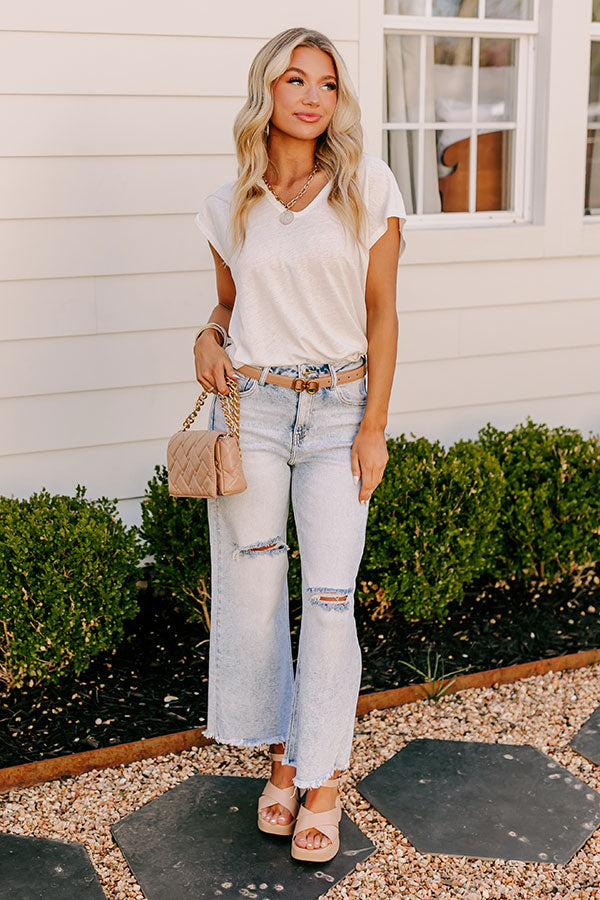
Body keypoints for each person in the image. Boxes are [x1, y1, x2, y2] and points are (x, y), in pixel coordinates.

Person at [193, 26, 406, 863]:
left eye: (326, 82)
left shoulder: (366, 187)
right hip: (250, 407)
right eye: (295, 79)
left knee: (327, 598)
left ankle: (322, 781)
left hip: (338, 411)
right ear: (268, 93)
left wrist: (374, 426)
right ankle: (284, 754)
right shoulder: (228, 202)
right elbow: (225, 308)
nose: (313, 95)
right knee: (253, 589)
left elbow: (384, 313)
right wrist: (205, 342)